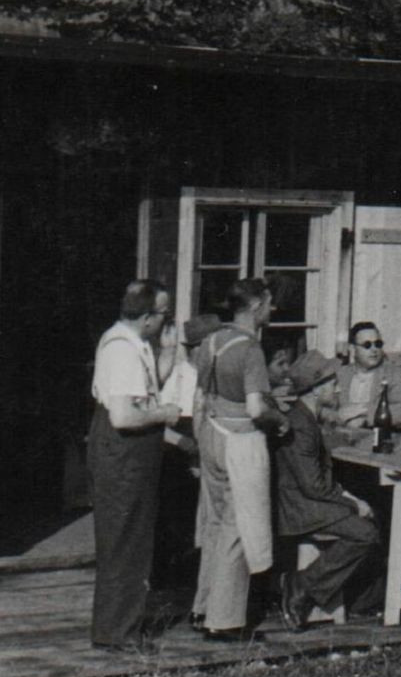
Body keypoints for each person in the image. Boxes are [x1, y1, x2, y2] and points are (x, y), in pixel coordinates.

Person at [87, 279, 181, 655]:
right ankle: (116, 632)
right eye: (164, 314)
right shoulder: (122, 351)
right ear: (146, 317)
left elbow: (145, 387)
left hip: (133, 452)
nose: (166, 321)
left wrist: (168, 355)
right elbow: (125, 416)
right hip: (123, 451)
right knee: (124, 539)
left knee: (132, 537)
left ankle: (121, 626)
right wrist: (166, 414)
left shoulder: (135, 343)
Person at [191, 278, 287, 643]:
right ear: (254, 306)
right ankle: (225, 619)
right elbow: (255, 408)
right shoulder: (250, 349)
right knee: (238, 526)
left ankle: (201, 607)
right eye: (268, 303)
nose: (271, 309)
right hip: (240, 442)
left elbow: (200, 396)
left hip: (211, 435)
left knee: (215, 523)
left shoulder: (210, 340)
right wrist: (281, 421)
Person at [272, 350, 386, 630]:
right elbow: (313, 486)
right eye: (331, 382)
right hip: (299, 507)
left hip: (308, 499)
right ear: (314, 390)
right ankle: (302, 586)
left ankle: (357, 600)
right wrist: (351, 502)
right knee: (366, 533)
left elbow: (316, 481)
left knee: (372, 519)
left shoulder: (306, 417)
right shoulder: (300, 425)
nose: (337, 387)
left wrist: (350, 497)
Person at [154, 313, 220, 592]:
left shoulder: (218, 375)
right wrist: (186, 446)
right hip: (179, 454)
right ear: (195, 348)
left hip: (210, 451)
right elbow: (159, 424)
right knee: (178, 521)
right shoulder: (179, 377)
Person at [332, 321, 401, 432]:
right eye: (367, 345)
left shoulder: (394, 373)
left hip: (383, 439)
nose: (374, 349)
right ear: (352, 348)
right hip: (343, 438)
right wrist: (339, 417)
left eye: (378, 344)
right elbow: (322, 409)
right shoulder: (341, 374)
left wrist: (364, 414)